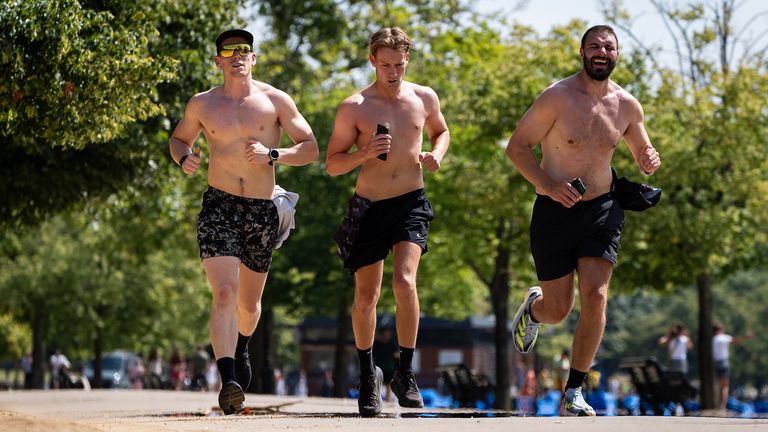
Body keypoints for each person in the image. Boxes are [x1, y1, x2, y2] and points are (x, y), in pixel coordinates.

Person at [505, 25, 662, 417]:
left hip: (602, 210)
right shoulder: (557, 97)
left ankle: (574, 391)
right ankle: (535, 308)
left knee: (596, 296)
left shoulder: (627, 105)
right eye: (594, 46)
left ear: (617, 54)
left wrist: (648, 158)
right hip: (554, 211)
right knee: (560, 310)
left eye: (608, 47)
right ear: (581, 52)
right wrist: (548, 185)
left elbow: (642, 146)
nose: (601, 52)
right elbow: (517, 147)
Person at [169, 29, 318, 414]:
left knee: (249, 306)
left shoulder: (275, 101)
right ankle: (228, 378)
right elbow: (179, 139)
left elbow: (310, 148)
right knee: (223, 293)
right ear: (218, 60)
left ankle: (243, 347)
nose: (238, 55)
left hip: (261, 209)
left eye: (245, 50)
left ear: (253, 59)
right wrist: (183, 157)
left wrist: (274, 153)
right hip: (219, 205)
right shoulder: (202, 104)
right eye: (229, 50)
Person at [326, 27, 450, 417]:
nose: (393, 72)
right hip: (369, 206)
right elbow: (332, 164)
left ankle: (405, 372)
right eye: (385, 65)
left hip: (411, 202)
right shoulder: (355, 106)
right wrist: (363, 153)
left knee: (405, 281)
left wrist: (437, 154)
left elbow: (441, 131)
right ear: (372, 62)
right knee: (367, 296)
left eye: (399, 64)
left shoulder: (424, 97)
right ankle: (368, 375)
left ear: (407, 60)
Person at [713, 324, 754, 410]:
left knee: (716, 384)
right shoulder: (723, 337)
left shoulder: (712, 339)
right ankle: (722, 406)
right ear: (721, 330)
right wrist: (746, 337)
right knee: (725, 386)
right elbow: (736, 341)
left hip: (714, 363)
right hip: (723, 363)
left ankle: (715, 404)